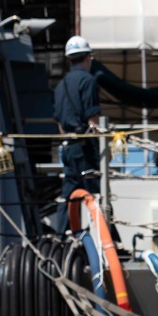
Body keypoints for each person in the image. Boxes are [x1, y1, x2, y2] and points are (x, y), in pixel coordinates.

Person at [53, 34, 101, 232]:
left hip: (68, 147)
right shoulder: (88, 81)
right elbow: (93, 119)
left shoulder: (60, 84)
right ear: (88, 58)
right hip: (85, 147)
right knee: (95, 194)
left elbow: (59, 122)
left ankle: (62, 237)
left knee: (69, 194)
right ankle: (108, 239)